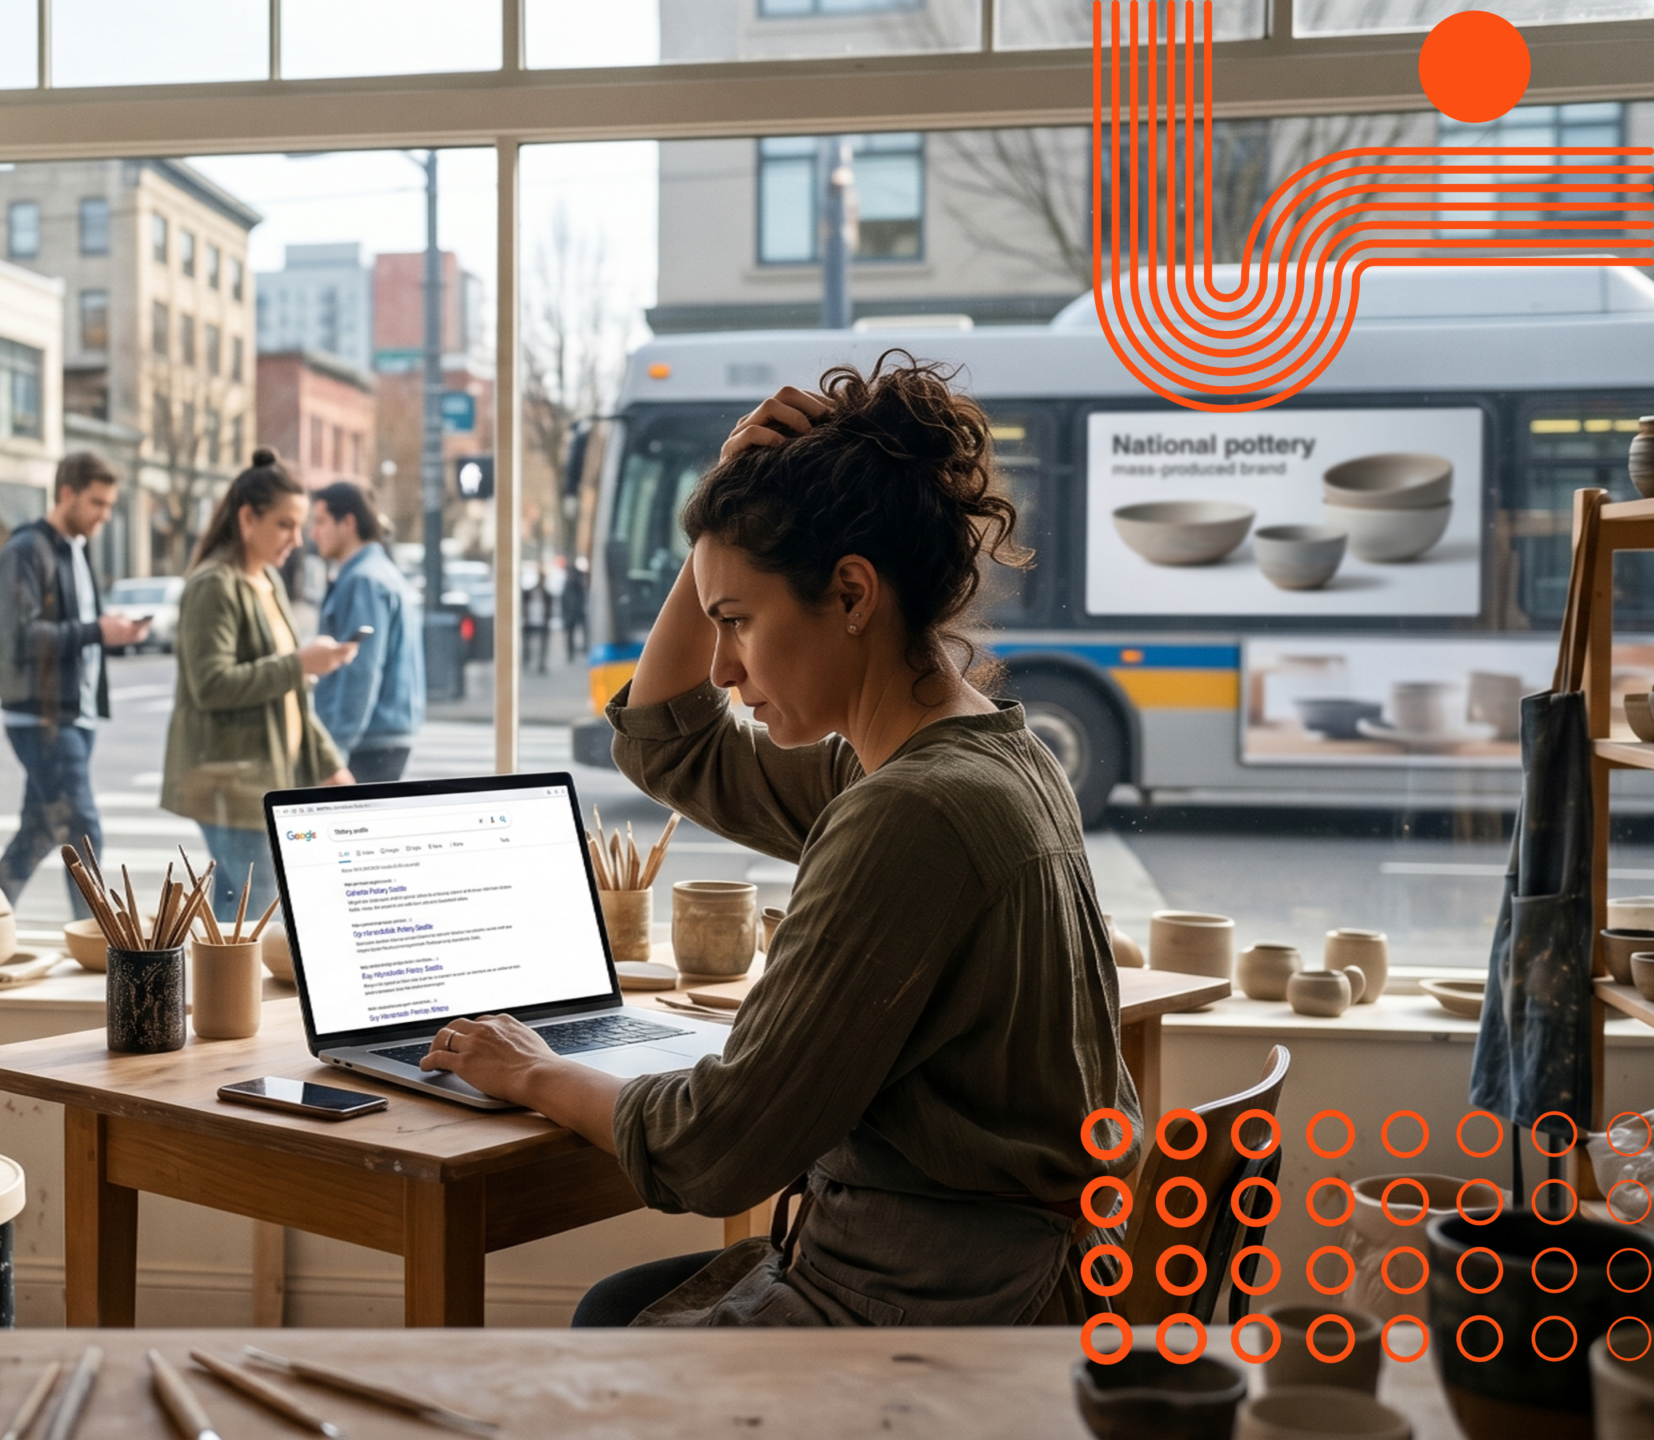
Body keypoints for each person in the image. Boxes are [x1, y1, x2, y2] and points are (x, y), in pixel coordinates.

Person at [412, 358, 1140, 1329]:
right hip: (992, 1271)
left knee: (585, 1351)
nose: (719, 666)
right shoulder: (980, 757)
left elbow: (717, 1148)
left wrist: (528, 1068)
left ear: (849, 594)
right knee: (609, 1307)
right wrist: (725, 523)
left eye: (740, 623)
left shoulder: (910, 812)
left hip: (926, 1306)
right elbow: (672, 740)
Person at [163, 450, 359, 924]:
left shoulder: (266, 580)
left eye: (300, 525)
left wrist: (330, 763)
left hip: (258, 781)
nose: (297, 539)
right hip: (230, 783)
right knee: (259, 917)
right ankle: (234, 999)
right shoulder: (215, 585)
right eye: (285, 525)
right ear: (247, 518)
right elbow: (211, 684)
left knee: (240, 918)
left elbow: (289, 696)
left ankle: (222, 998)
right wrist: (299, 663)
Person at [0, 453, 149, 917]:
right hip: (42, 718)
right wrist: (99, 630)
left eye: (109, 504)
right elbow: (20, 637)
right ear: (66, 494)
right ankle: (96, 947)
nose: (105, 514)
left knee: (38, 834)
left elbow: (74, 629)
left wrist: (110, 631)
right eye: (97, 502)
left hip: (71, 717)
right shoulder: (26, 550)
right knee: (83, 832)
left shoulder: (76, 549)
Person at [309, 481, 424, 784]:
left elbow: (361, 669)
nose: (313, 533)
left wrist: (333, 751)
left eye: (321, 521)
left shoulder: (364, 580)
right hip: (383, 735)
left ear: (348, 523)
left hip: (368, 740)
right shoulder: (380, 572)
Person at [520, 563, 553, 675]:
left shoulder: (547, 595)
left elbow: (550, 609)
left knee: (543, 644)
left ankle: (541, 664)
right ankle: (526, 659)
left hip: (542, 622)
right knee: (527, 643)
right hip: (529, 621)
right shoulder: (529, 593)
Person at [560, 554, 590, 663]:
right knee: (578, 633)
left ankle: (572, 653)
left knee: (572, 634)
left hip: (573, 612)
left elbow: (563, 600)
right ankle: (574, 652)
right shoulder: (576, 583)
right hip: (576, 612)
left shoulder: (568, 585)